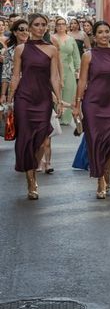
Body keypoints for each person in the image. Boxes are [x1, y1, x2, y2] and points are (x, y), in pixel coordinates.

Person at [73, 21, 110, 199]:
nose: (104, 35)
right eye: (100, 32)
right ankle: (100, 180)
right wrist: (77, 105)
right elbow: (82, 82)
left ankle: (106, 172)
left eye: (107, 31)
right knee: (95, 140)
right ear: (95, 36)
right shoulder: (88, 56)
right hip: (92, 103)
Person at [9, 13, 63, 200]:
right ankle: (31, 180)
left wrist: (59, 98)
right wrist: (9, 100)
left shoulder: (52, 49)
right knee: (25, 137)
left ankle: (34, 163)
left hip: (43, 98)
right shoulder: (20, 49)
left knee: (42, 139)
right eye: (37, 25)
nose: (40, 28)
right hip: (24, 98)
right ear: (30, 27)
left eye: (43, 25)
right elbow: (15, 75)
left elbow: (54, 77)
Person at [52, 17, 81, 125]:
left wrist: (78, 70)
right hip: (54, 69)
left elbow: (76, 56)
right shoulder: (52, 38)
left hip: (69, 69)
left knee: (69, 92)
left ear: (66, 26)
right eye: (58, 24)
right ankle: (56, 116)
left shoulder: (71, 39)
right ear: (55, 26)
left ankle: (65, 118)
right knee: (56, 92)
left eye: (63, 24)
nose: (61, 26)